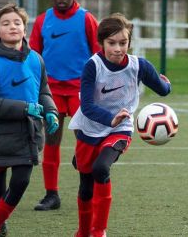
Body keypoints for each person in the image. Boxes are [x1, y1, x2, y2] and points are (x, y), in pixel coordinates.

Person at [68, 13, 172, 237]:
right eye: (111, 43)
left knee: (100, 169)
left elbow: (162, 90)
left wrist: (166, 85)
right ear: (102, 43)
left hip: (120, 130)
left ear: (129, 42)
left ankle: (99, 231)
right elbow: (86, 106)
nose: (117, 48)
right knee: (85, 187)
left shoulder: (139, 66)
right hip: (89, 128)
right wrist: (108, 118)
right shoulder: (92, 66)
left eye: (123, 43)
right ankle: (83, 231)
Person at [0, 3, 59, 237]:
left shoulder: (36, 60)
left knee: (21, 181)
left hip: (27, 134)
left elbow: (43, 90)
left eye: (17, 23)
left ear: (25, 29)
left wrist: (50, 110)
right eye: (6, 23)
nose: (12, 26)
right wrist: (25, 108)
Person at [29, 0, 100, 211]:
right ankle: (52, 195)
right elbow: (33, 56)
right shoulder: (43, 21)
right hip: (51, 91)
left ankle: (87, 191)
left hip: (82, 90)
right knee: (51, 140)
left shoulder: (87, 19)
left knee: (87, 140)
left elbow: (99, 53)